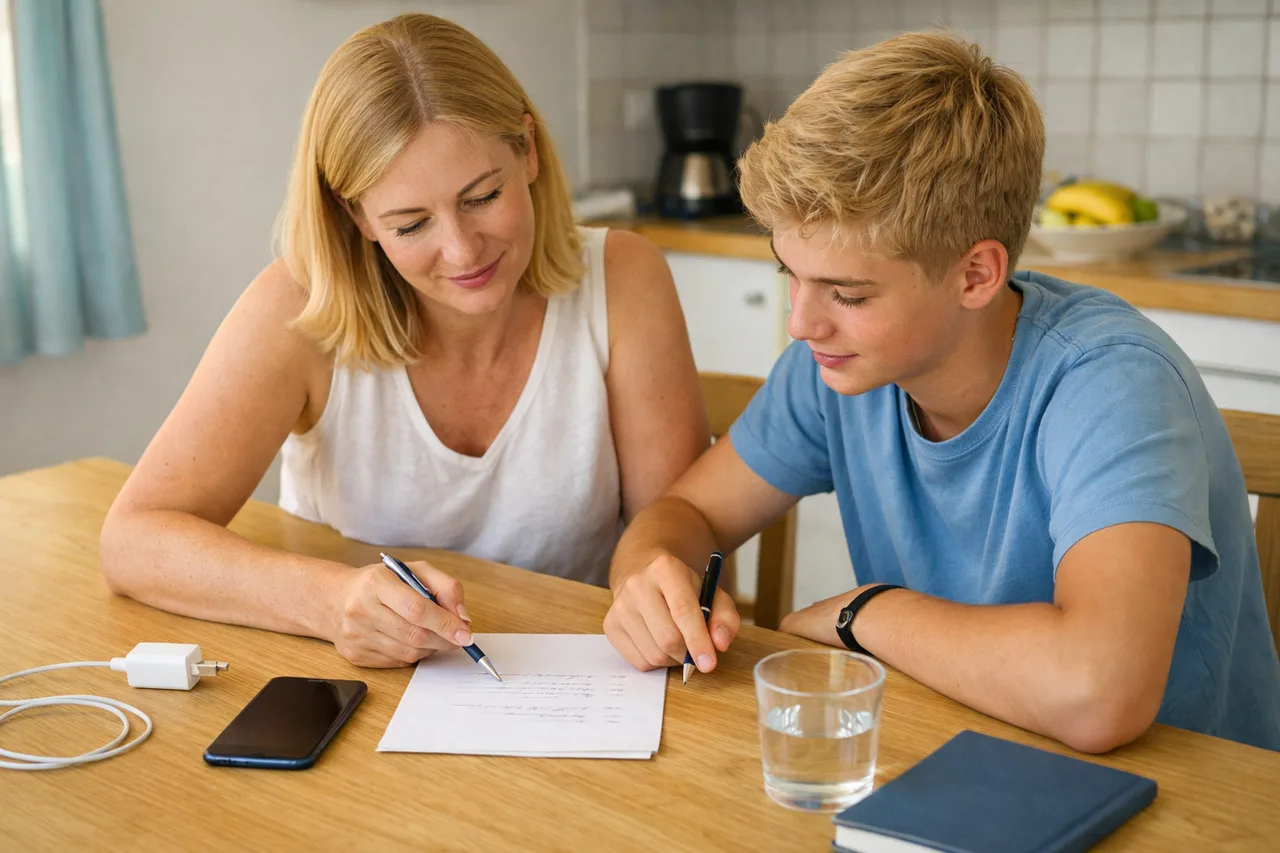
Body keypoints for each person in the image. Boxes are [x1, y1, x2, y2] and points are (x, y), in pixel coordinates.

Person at [603, 33, 1280, 753]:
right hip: (961, 749)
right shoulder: (836, 365)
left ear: (977, 275)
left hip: (1181, 787)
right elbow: (687, 513)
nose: (801, 323)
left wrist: (865, 613)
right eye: (788, 274)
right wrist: (651, 580)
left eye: (848, 293)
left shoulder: (1112, 383)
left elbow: (1097, 692)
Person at [99, 14, 705, 669]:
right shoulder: (299, 309)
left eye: (482, 196)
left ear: (528, 149)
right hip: (358, 685)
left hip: (583, 681)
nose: (462, 250)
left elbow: (677, 528)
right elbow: (133, 541)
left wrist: (660, 591)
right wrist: (329, 601)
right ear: (356, 214)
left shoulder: (624, 278)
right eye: (411, 225)